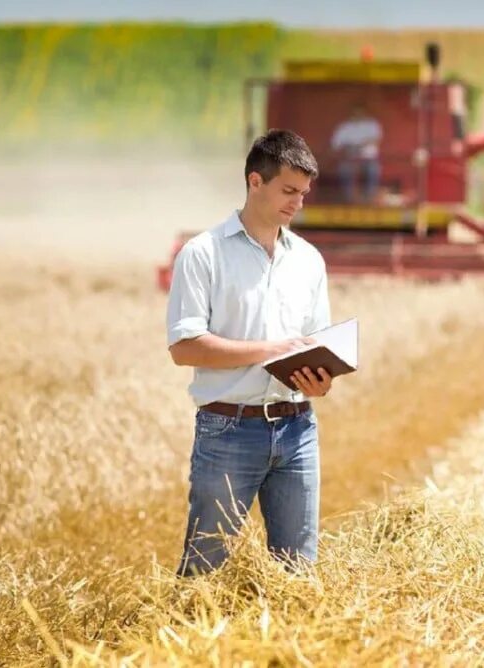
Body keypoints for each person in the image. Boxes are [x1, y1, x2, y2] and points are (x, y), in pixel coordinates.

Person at [167, 129, 334, 575]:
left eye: (303, 193)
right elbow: (184, 347)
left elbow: (314, 343)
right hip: (228, 432)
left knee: (298, 574)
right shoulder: (203, 254)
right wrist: (271, 351)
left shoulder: (309, 261)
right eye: (288, 191)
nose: (297, 203)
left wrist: (321, 380)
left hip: (299, 431)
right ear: (255, 182)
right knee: (206, 571)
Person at [330, 105, 382, 204]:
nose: (358, 115)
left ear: (364, 113)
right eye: (355, 113)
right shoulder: (345, 127)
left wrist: (361, 144)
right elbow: (335, 144)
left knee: (373, 169)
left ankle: (369, 198)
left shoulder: (371, 125)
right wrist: (350, 146)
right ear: (351, 114)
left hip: (368, 158)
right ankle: (350, 198)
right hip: (350, 158)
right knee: (344, 169)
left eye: (360, 113)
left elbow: (376, 140)